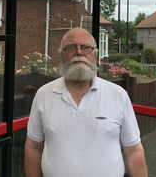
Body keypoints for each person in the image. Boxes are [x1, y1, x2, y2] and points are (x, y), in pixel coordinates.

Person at [25, 28, 147, 177]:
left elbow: (133, 151)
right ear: (62, 55)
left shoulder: (118, 95)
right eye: (71, 47)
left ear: (94, 54)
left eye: (85, 47)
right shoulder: (43, 94)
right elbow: (33, 148)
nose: (79, 53)